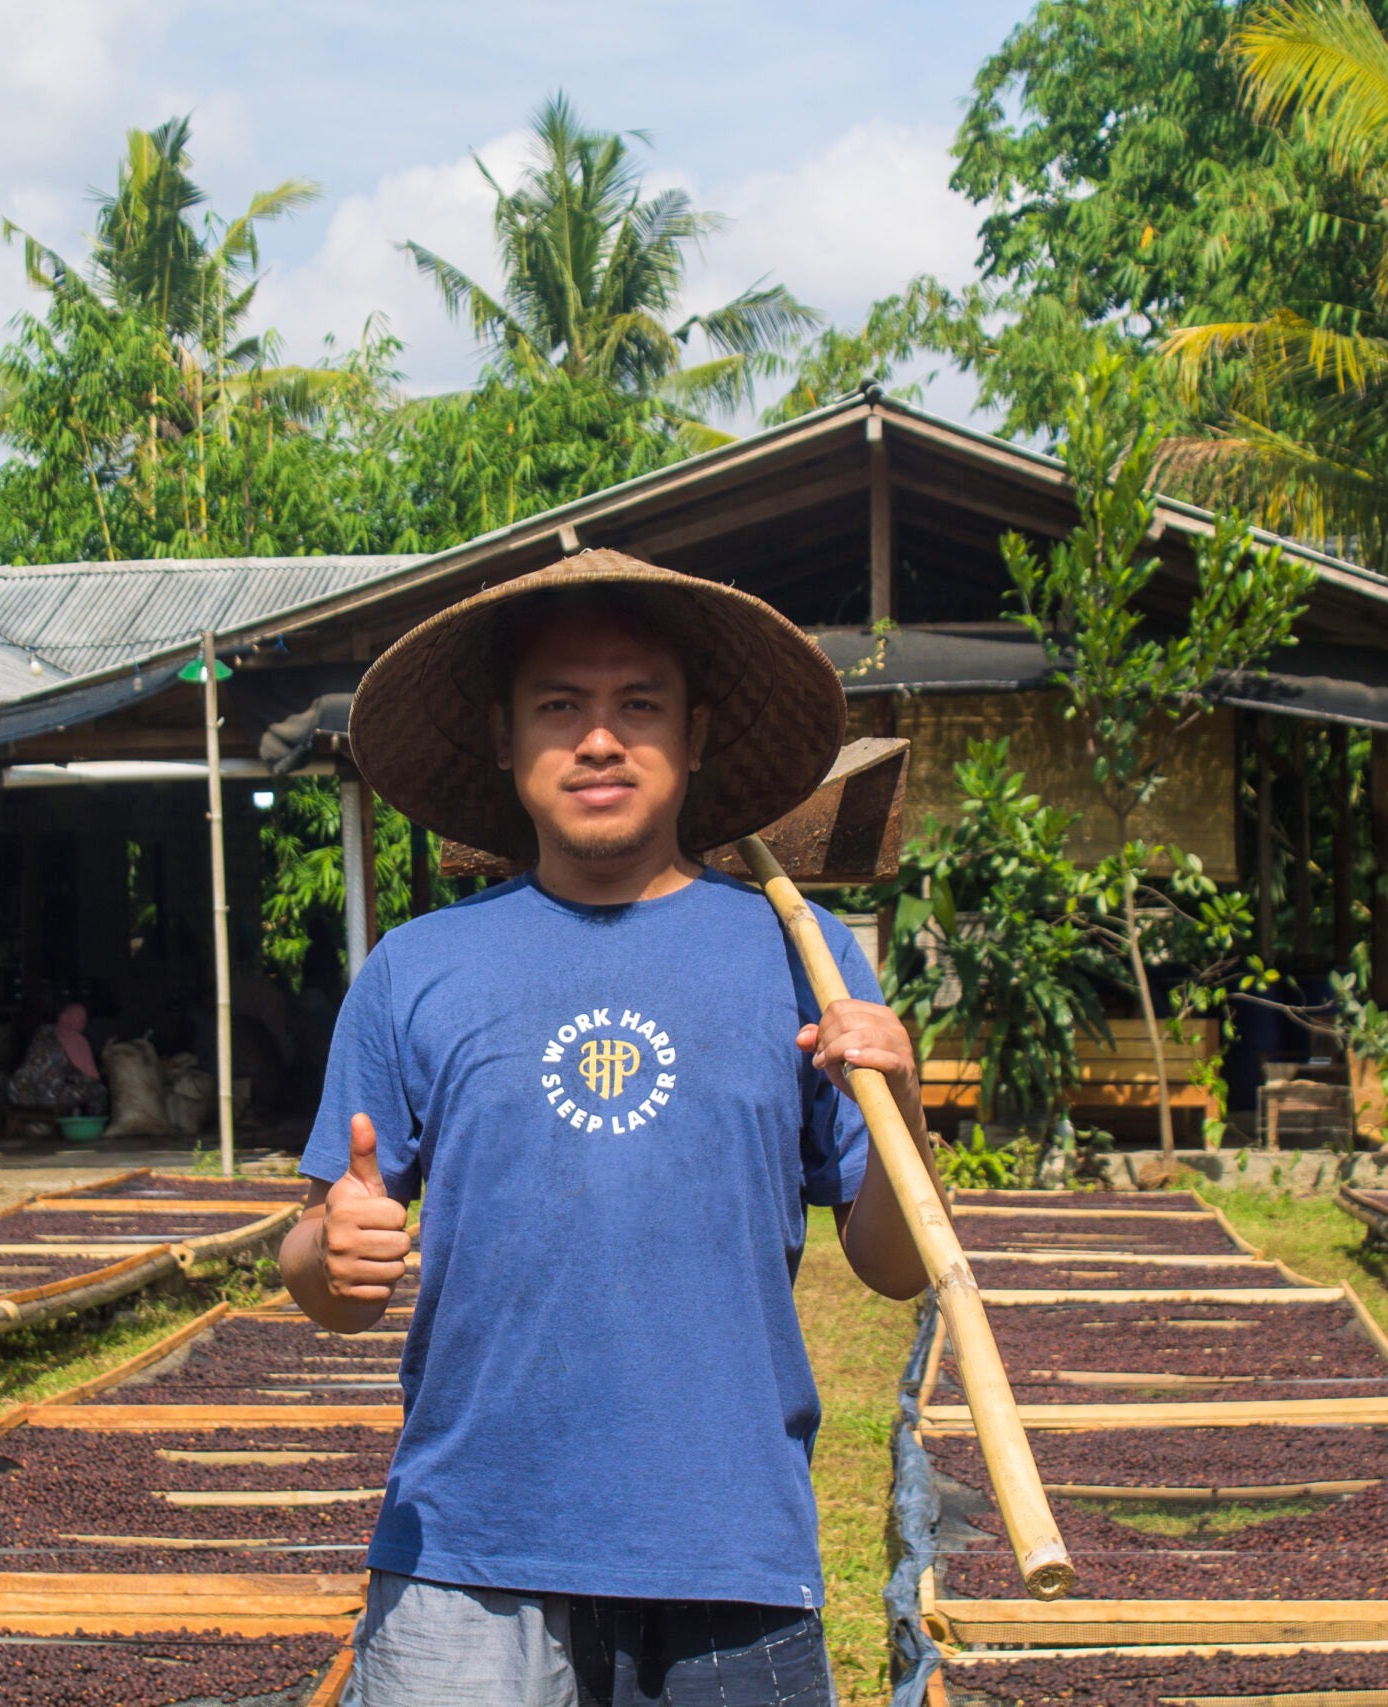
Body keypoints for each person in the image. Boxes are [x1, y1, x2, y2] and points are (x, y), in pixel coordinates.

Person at [283, 551, 937, 1706]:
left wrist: (906, 1103)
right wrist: (328, 1255)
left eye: (638, 705)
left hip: (729, 1544)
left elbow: (890, 1267)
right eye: (559, 707)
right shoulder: (418, 968)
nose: (598, 740)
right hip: (468, 1553)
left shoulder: (805, 960)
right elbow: (325, 1269)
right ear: (501, 738)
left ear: (695, 738)